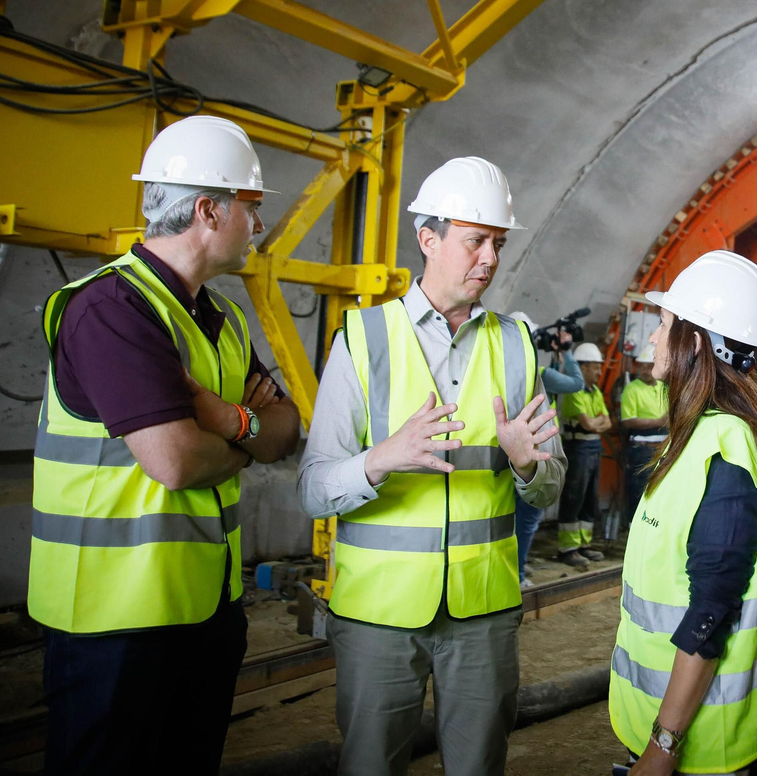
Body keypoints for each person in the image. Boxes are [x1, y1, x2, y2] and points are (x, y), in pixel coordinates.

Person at [30, 115, 302, 776]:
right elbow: (175, 461)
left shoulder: (222, 317)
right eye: (251, 208)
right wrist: (248, 432)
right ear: (208, 210)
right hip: (113, 621)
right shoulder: (111, 309)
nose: (258, 225)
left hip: (204, 610)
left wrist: (227, 420)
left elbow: (288, 431)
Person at [297, 155, 563, 776]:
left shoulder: (517, 345)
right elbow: (312, 489)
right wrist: (379, 460)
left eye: (498, 244)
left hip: (483, 612)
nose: (490, 259)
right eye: (475, 241)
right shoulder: (362, 338)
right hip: (378, 615)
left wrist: (528, 468)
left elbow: (549, 488)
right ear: (428, 240)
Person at [609, 250, 757, 775]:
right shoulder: (702, 434)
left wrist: (662, 747)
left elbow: (710, 611)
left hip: (701, 744)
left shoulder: (727, 450)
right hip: (661, 716)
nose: (654, 339)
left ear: (696, 342)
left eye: (664, 325)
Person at [510, 313, 587, 584]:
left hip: (507, 451)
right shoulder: (541, 374)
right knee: (527, 518)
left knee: (508, 518)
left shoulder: (501, 373)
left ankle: (513, 565)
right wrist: (567, 352)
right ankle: (518, 574)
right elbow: (577, 383)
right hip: (537, 452)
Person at [557, 341, 613, 567]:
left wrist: (595, 423)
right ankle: (567, 549)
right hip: (577, 447)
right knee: (574, 495)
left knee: (590, 496)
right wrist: (596, 423)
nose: (600, 372)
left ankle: (583, 544)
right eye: (596, 367)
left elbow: (607, 422)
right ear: (583, 367)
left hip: (593, 447)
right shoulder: (574, 391)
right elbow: (588, 423)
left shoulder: (595, 391)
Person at [620, 343, 670, 524]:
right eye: (641, 366)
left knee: (660, 493)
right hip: (641, 449)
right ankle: (634, 528)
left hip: (664, 449)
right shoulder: (632, 389)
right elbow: (628, 421)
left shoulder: (664, 387)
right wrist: (660, 422)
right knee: (638, 492)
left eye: (649, 366)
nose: (645, 370)